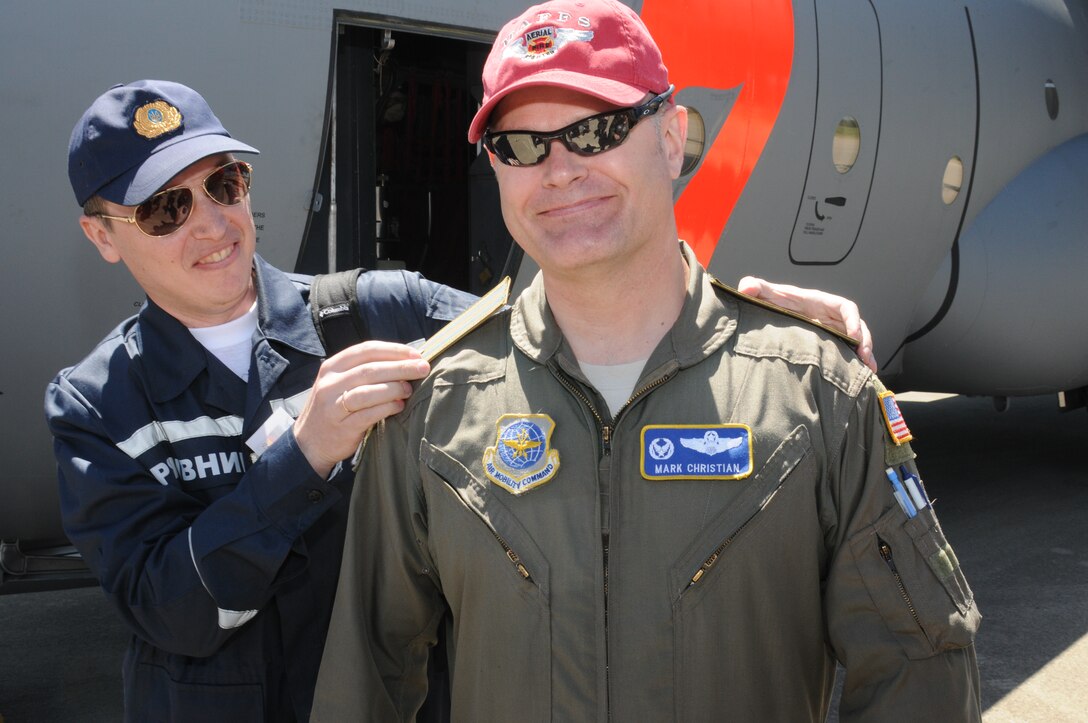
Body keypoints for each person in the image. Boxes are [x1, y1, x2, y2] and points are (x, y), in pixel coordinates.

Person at [45, 78, 873, 722]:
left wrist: (765, 329)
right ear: (102, 235)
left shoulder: (382, 313)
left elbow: (586, 311)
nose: (212, 222)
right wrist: (303, 456)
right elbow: (176, 613)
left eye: (223, 182)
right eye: (164, 208)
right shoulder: (97, 405)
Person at [310, 1, 982, 721]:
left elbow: (920, 672)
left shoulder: (817, 394)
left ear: (671, 139)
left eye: (595, 130)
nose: (560, 170)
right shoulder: (432, 412)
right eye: (522, 146)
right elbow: (365, 680)